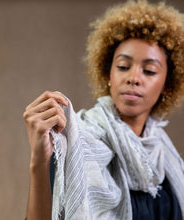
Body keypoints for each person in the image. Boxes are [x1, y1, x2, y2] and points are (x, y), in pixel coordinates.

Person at [23, 0, 184, 219]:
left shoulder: (168, 159)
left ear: (168, 84)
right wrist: (38, 160)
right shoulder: (74, 144)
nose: (133, 78)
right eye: (123, 67)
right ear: (108, 74)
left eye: (149, 70)